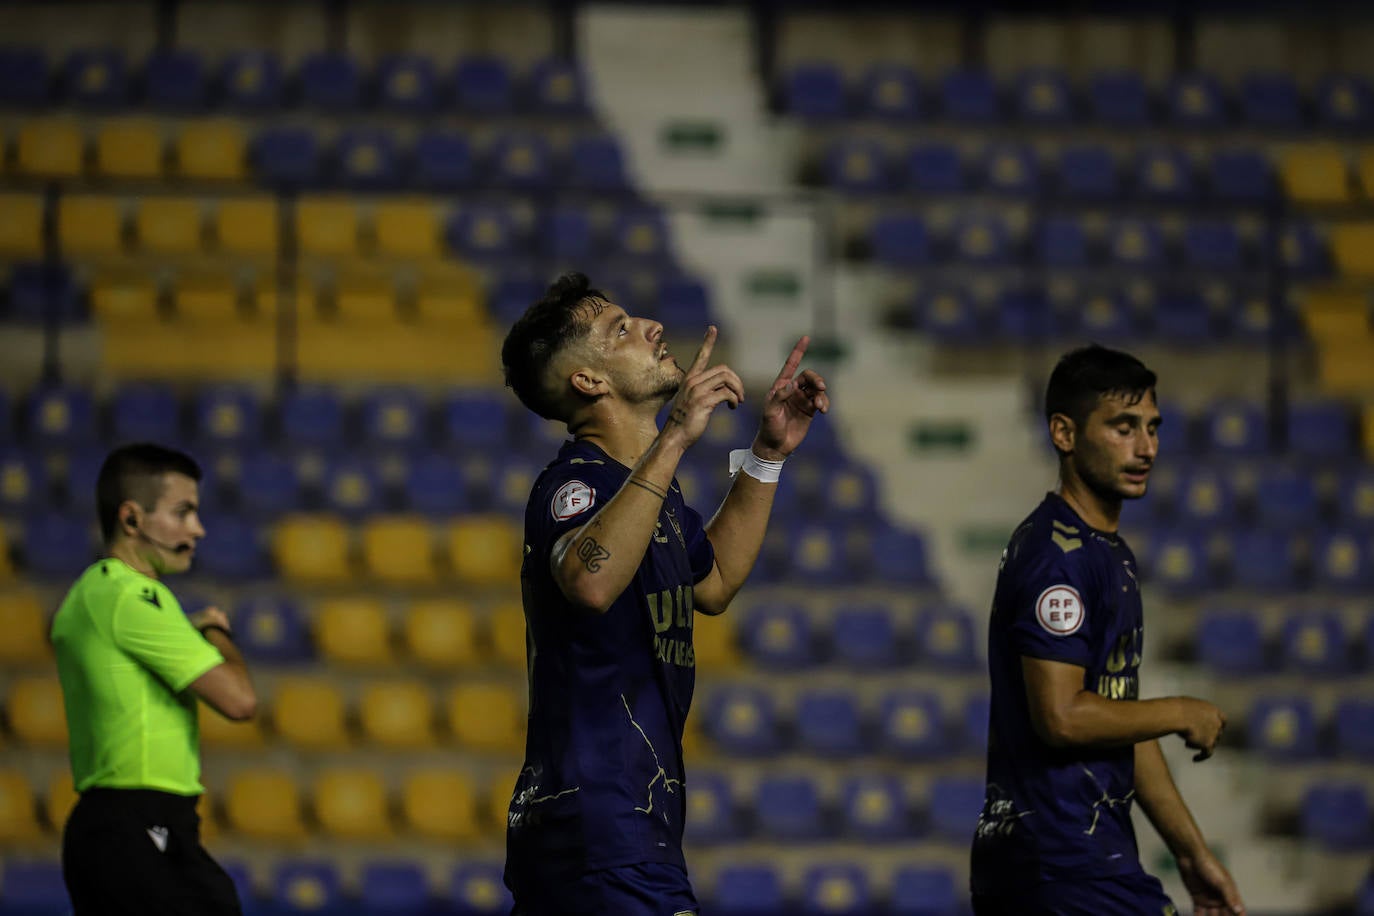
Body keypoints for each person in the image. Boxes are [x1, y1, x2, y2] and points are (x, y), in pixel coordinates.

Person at [498, 272, 829, 915]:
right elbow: (590, 580)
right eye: (618, 330)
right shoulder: (577, 485)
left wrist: (765, 455)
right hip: (602, 826)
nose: (651, 326)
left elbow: (715, 583)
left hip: (617, 829)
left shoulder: (652, 498)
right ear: (588, 382)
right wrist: (675, 436)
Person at [970, 345, 1245, 916]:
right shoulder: (1057, 558)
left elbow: (1115, 716)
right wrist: (1180, 711)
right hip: (1060, 864)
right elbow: (1064, 717)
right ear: (1064, 433)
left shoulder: (1105, 553)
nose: (1146, 448)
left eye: (1151, 428)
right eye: (1123, 428)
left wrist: (1191, 854)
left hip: (1086, 862)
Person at [52, 442, 258, 916]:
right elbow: (240, 701)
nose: (197, 530)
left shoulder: (97, 595)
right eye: (182, 513)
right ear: (132, 520)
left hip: (133, 828)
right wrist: (214, 631)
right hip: (136, 825)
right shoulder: (132, 597)